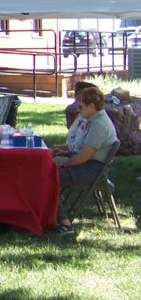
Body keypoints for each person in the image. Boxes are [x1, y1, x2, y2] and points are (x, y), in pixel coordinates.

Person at [51, 83, 119, 233]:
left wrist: (63, 165)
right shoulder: (92, 119)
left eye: (81, 107)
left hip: (91, 169)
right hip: (87, 163)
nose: (78, 110)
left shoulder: (99, 124)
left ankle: (65, 223)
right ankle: (52, 209)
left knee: (48, 177)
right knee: (46, 167)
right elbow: (79, 147)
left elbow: (83, 157)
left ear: (92, 106)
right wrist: (64, 151)